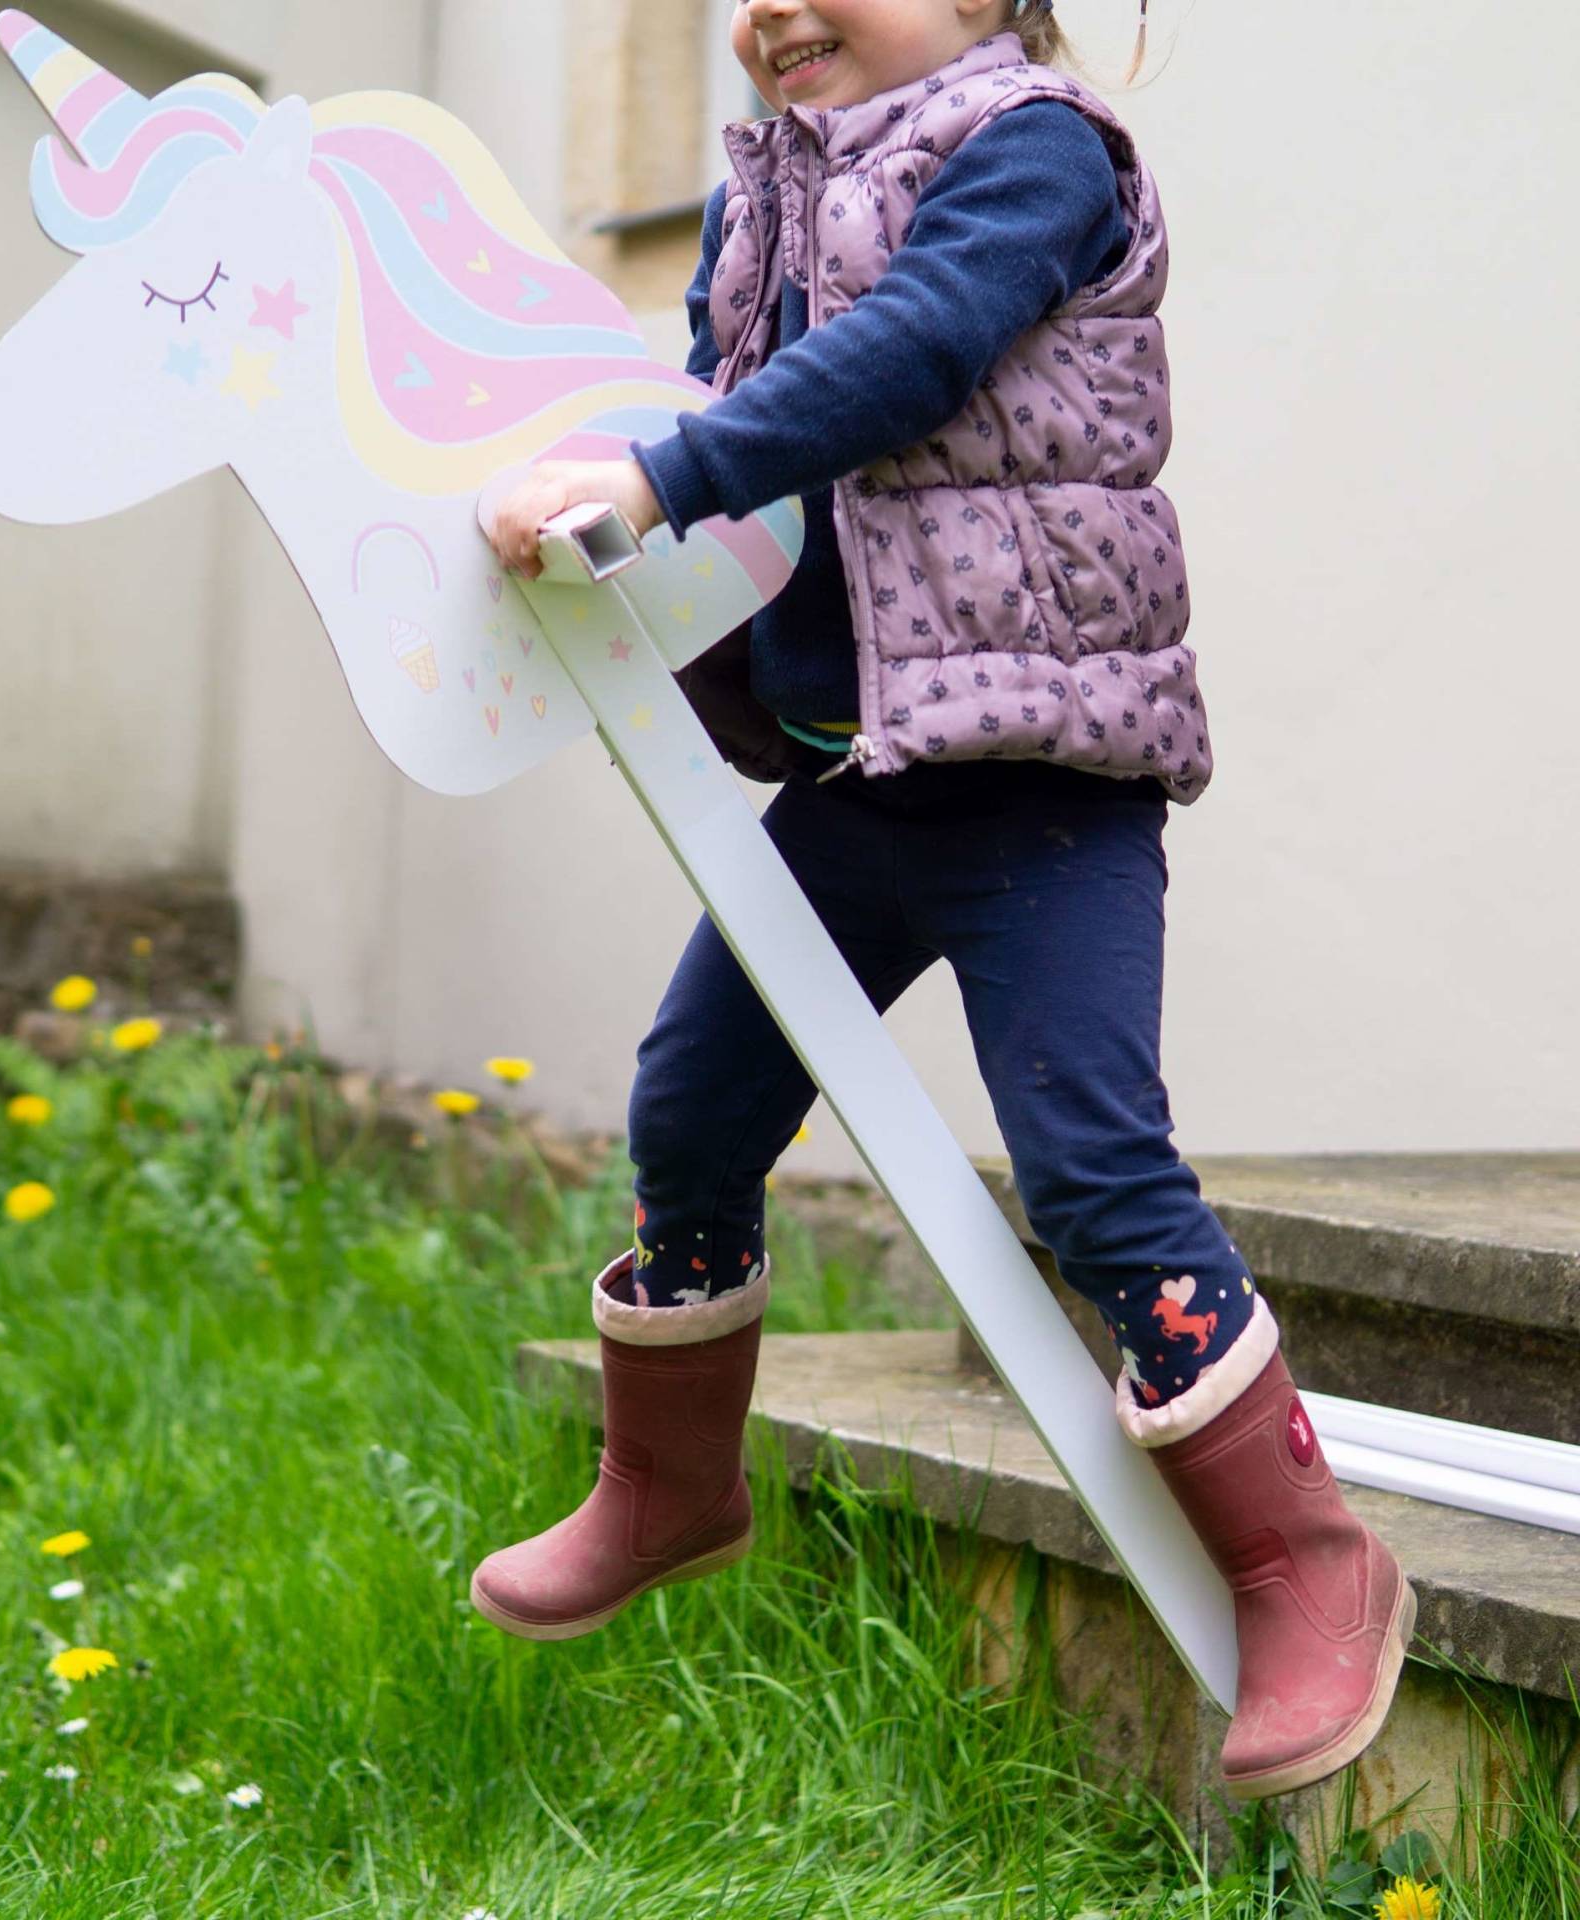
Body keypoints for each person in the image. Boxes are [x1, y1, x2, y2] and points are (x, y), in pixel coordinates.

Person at [473, 0, 1414, 1803]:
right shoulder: (764, 190)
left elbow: (911, 352)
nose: (773, 11)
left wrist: (663, 476)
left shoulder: (1037, 148)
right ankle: (672, 1486)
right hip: (856, 775)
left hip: (1044, 781)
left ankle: (1306, 1561)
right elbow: (710, 421)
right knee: (693, 1106)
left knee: (1091, 1169)